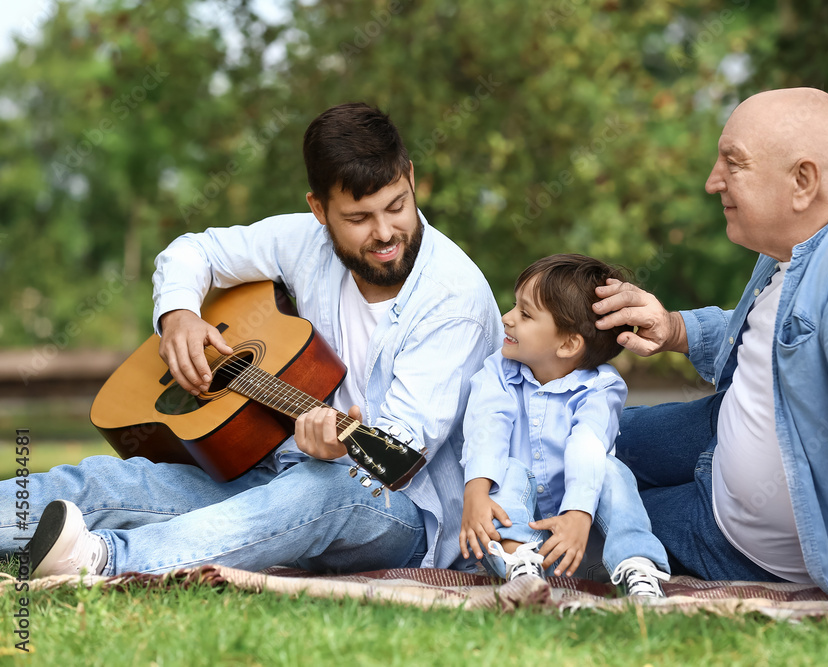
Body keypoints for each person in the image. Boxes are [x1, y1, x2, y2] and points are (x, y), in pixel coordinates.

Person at [2, 102, 503, 578]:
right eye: (358, 219)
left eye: (396, 206)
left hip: (402, 512)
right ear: (319, 209)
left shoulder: (453, 299)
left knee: (324, 487)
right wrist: (178, 314)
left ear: (411, 178)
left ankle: (105, 563)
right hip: (278, 469)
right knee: (109, 481)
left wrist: (331, 449)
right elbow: (195, 251)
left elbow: (397, 452)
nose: (385, 232)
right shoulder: (302, 243)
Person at [593, 87, 828, 626]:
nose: (713, 181)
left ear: (803, 181)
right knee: (572, 435)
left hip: (734, 531)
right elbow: (765, 342)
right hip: (719, 437)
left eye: (733, 163)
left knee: (574, 518)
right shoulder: (802, 245)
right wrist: (677, 329)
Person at [459, 254, 672, 597]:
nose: (507, 319)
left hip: (584, 547)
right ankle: (521, 569)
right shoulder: (498, 372)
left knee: (610, 471)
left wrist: (577, 514)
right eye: (515, 306)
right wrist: (475, 489)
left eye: (525, 314)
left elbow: (586, 444)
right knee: (508, 470)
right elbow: (488, 424)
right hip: (519, 539)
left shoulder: (601, 388)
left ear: (569, 343)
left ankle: (637, 567)